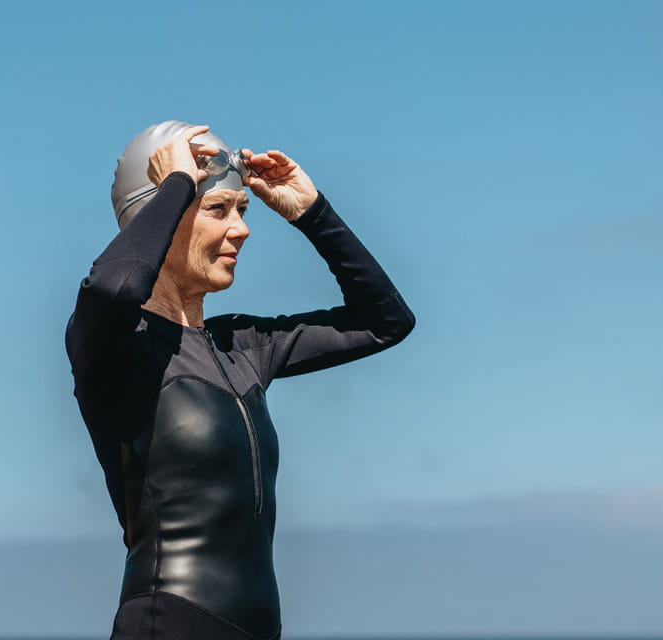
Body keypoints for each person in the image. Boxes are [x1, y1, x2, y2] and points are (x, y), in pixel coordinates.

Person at [64, 120, 416, 640]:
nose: (242, 229)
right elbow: (112, 290)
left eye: (243, 210)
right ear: (154, 214)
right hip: (168, 624)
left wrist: (313, 213)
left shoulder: (243, 347)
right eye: (218, 210)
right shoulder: (117, 345)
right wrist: (178, 186)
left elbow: (385, 322)